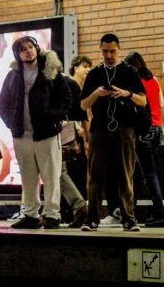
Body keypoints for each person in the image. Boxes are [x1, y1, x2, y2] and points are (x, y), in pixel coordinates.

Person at [0, 36, 71, 229]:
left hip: (46, 133)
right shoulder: (13, 75)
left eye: (30, 47)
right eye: (23, 49)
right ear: (18, 54)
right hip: (22, 136)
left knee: (51, 176)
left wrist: (52, 116)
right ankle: (30, 215)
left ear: (37, 48)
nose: (28, 51)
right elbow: (3, 103)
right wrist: (11, 124)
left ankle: (52, 215)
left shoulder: (51, 72)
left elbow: (66, 99)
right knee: (28, 178)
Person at [79, 33, 147, 232]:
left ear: (119, 50)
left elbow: (143, 101)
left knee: (125, 173)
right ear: (100, 50)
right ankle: (92, 219)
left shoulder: (129, 71)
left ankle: (129, 218)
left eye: (112, 51)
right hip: (99, 129)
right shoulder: (94, 74)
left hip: (125, 128)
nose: (108, 55)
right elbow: (83, 104)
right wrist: (96, 94)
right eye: (105, 51)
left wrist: (127, 94)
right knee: (95, 175)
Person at [124, 51, 164, 227]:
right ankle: (130, 209)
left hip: (144, 129)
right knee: (144, 172)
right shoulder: (154, 80)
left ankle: (160, 212)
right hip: (157, 129)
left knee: (148, 173)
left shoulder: (136, 83)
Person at [60, 55, 92, 228]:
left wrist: (87, 138)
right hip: (70, 135)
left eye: (89, 67)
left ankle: (76, 208)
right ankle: (72, 209)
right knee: (62, 171)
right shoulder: (71, 84)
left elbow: (84, 114)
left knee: (62, 172)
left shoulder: (74, 86)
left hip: (70, 136)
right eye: (84, 66)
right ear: (75, 67)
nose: (87, 70)